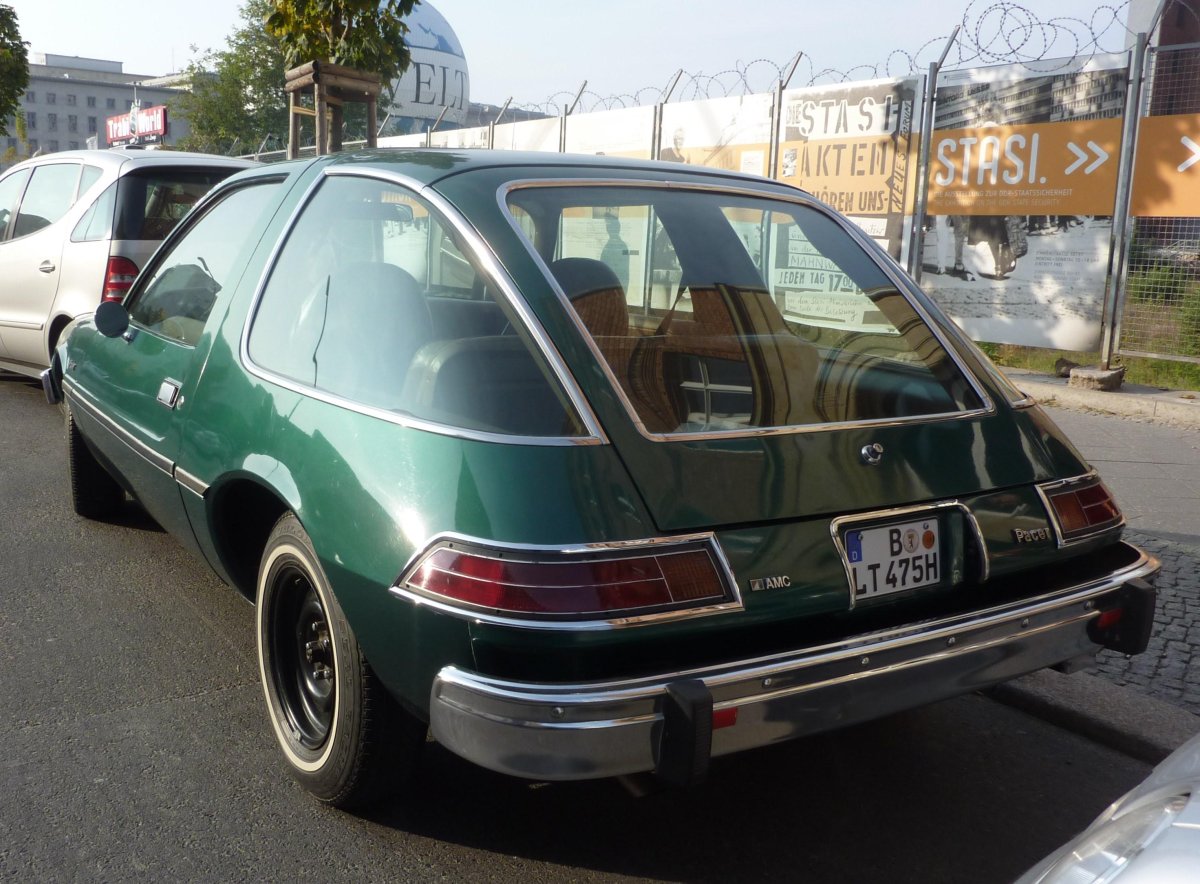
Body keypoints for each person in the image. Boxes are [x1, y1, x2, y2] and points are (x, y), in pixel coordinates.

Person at [599, 213, 630, 290]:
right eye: (607, 226)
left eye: (609, 226)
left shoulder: (620, 246)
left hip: (614, 288)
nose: (607, 228)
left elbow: (624, 272)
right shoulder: (613, 245)